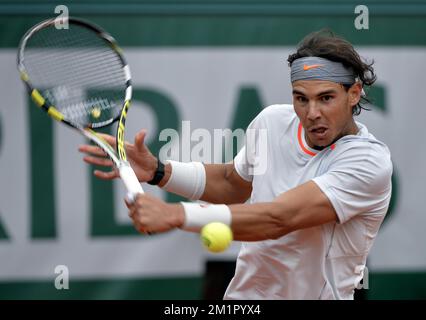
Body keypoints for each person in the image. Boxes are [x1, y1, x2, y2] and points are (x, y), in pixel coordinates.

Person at [79, 30, 392, 300]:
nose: (311, 113)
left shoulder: (368, 162)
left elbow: (279, 218)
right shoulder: (272, 121)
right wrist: (159, 172)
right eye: (301, 98)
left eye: (325, 98)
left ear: (353, 94)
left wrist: (176, 215)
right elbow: (232, 183)